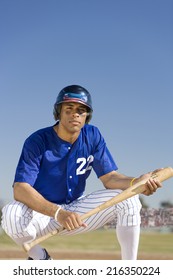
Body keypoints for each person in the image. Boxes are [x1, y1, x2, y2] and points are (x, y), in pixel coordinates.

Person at [1, 85, 162, 260]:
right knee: (11, 215)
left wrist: (137, 182)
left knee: (129, 199)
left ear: (87, 116)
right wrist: (58, 213)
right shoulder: (38, 141)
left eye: (81, 110)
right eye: (69, 109)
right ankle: (41, 259)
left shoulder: (92, 135)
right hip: (42, 214)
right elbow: (20, 188)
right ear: (58, 112)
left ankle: (129, 270)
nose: (75, 114)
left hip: (78, 212)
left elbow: (110, 177)